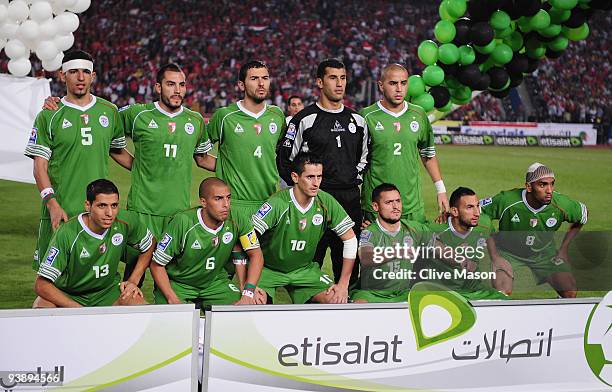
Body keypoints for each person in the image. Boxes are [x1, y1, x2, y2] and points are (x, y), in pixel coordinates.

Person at [43, 63, 216, 282]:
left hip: (178, 212)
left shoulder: (195, 120)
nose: (177, 90)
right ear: (157, 87)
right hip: (142, 210)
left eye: (181, 84)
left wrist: (237, 166)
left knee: (176, 277)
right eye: (170, 84)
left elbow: (203, 158)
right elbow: (105, 126)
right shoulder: (136, 114)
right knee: (134, 275)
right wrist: (60, 102)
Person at [25, 50, 131, 271]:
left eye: (86, 72)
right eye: (73, 72)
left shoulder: (110, 112)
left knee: (95, 277)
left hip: (98, 212)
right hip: (61, 209)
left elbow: (118, 151)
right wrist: (52, 204)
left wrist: (150, 169)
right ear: (63, 76)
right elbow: (39, 168)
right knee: (50, 283)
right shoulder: (49, 115)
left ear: (93, 76)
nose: (81, 78)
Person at [277, 58, 368, 286]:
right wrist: (305, 192)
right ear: (319, 82)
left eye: (343, 78)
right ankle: (308, 306)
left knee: (348, 261)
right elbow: (285, 160)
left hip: (348, 200)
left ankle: (345, 303)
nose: (339, 84)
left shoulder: (357, 121)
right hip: (315, 201)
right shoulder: (303, 120)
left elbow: (365, 158)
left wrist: (348, 177)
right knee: (310, 261)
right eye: (333, 78)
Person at [252, 153, 357, 304]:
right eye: (310, 177)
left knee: (336, 299)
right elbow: (247, 238)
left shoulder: (325, 200)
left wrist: (343, 285)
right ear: (295, 177)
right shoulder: (278, 203)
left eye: (319, 177)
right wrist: (249, 285)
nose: (316, 183)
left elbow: (351, 240)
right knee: (256, 302)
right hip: (267, 271)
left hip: (304, 271)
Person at [33, 179, 154, 307]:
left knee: (140, 307)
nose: (109, 213)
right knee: (41, 309)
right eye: (102, 206)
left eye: (114, 205)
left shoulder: (125, 221)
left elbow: (150, 244)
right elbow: (41, 285)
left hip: (107, 292)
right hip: (69, 293)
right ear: (88, 205)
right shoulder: (67, 233)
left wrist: (133, 281)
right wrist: (77, 309)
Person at [480, 163, 587, 298]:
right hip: (508, 252)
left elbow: (583, 215)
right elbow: (478, 212)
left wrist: (564, 249)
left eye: (552, 184)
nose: (549, 190)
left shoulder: (561, 204)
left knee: (569, 292)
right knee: (501, 294)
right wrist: (494, 254)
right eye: (542, 185)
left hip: (544, 254)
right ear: (529, 187)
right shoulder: (507, 200)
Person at [151, 178, 264, 305]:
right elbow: (157, 265)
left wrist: (248, 293)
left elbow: (256, 255)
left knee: (244, 308)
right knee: (175, 320)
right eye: (218, 199)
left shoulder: (237, 218)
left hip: (214, 283)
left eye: (228, 198)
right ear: (203, 202)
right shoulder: (183, 222)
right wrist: (172, 298)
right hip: (179, 284)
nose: (226, 204)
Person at [360, 63, 448, 224]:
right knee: (378, 250)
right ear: (381, 85)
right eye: (393, 83)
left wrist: (440, 190)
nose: (399, 89)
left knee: (415, 249)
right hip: (376, 207)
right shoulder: (366, 116)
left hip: (412, 206)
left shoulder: (419, 114)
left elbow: (428, 155)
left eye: (403, 83)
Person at [207, 60, 286, 221]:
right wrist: (225, 165)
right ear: (241, 85)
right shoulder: (225, 116)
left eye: (265, 78)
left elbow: (280, 154)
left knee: (267, 247)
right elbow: (200, 155)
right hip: (234, 204)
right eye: (254, 79)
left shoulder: (277, 116)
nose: (261, 83)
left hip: (269, 203)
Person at [415, 187, 507, 300]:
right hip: (441, 292)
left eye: (477, 206)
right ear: (454, 211)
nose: (477, 213)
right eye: (469, 207)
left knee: (503, 299)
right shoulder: (434, 229)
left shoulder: (485, 224)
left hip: (473, 290)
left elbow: (492, 241)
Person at [351, 183, 429, 303]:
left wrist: (461, 260)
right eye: (389, 202)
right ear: (376, 206)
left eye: (398, 201)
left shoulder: (413, 228)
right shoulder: (369, 232)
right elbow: (366, 258)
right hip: (373, 294)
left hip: (404, 293)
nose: (395, 206)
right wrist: (396, 252)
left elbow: (440, 246)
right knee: (359, 305)